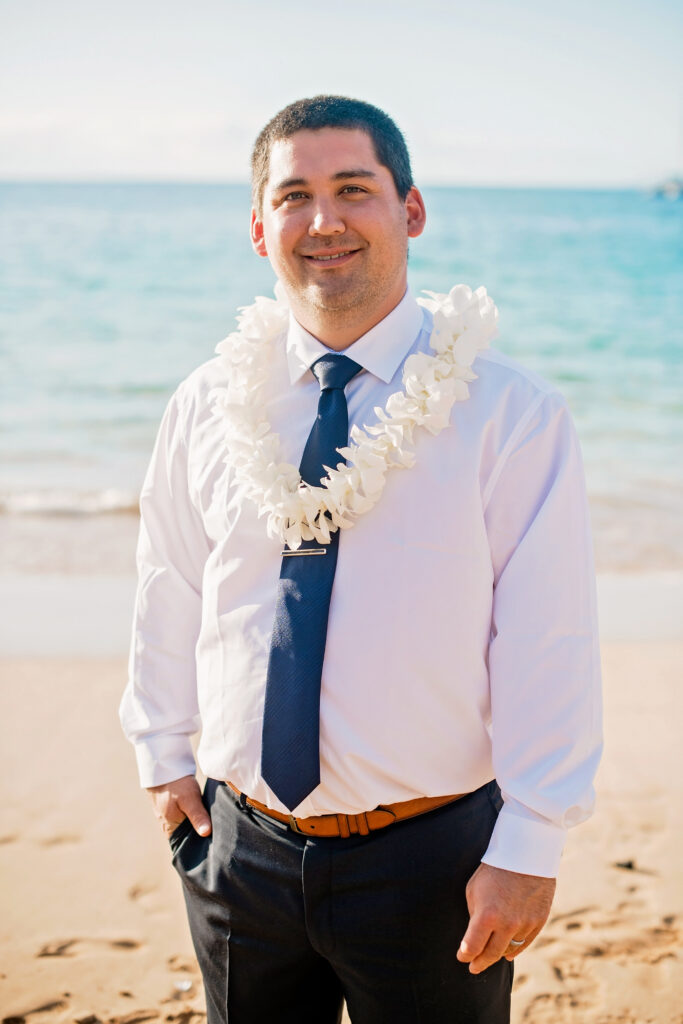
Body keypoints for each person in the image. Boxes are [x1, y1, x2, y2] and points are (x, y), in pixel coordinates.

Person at [119, 95, 602, 1024]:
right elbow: (170, 582)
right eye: (294, 196)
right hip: (237, 849)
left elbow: (548, 637)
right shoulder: (204, 403)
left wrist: (531, 840)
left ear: (409, 211)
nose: (324, 220)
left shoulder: (511, 415)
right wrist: (161, 753)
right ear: (260, 226)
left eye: (354, 190)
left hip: (433, 863)